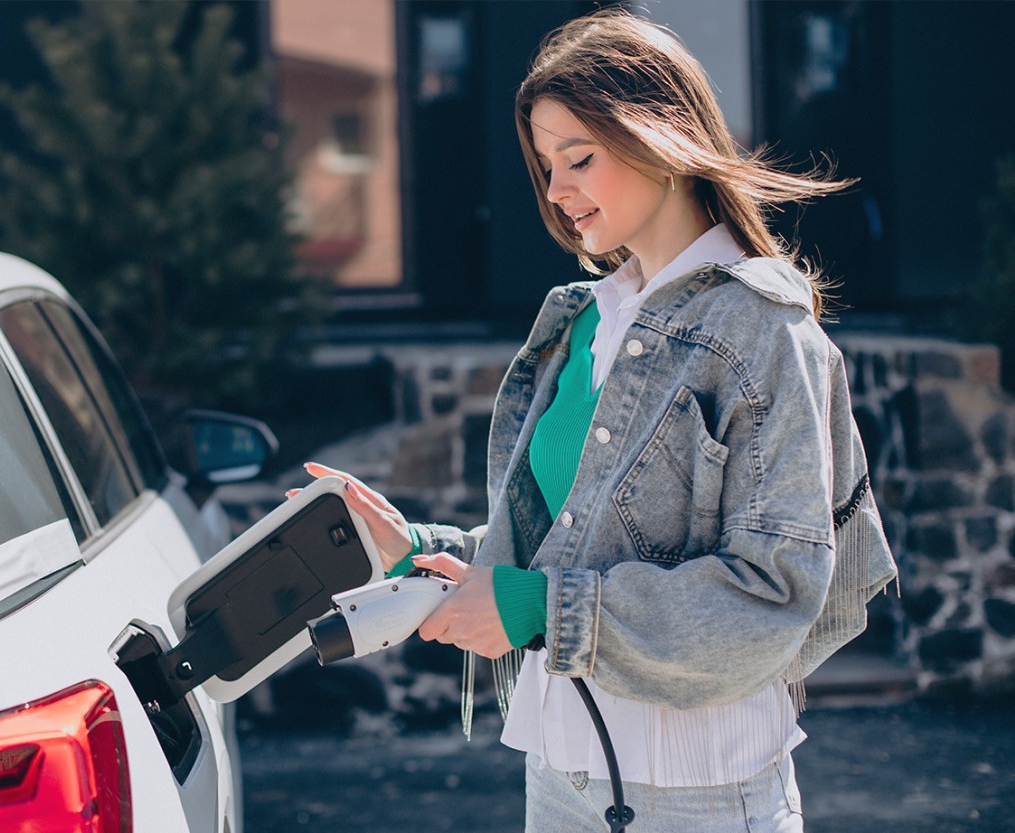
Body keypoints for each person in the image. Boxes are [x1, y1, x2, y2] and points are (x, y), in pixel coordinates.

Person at [297, 9, 896, 833]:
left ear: (665, 139)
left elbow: (774, 594)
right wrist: (421, 549)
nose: (555, 191)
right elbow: (566, 551)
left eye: (579, 158)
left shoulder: (766, 332)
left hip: (699, 792)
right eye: (545, 166)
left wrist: (542, 609)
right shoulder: (583, 321)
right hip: (560, 769)